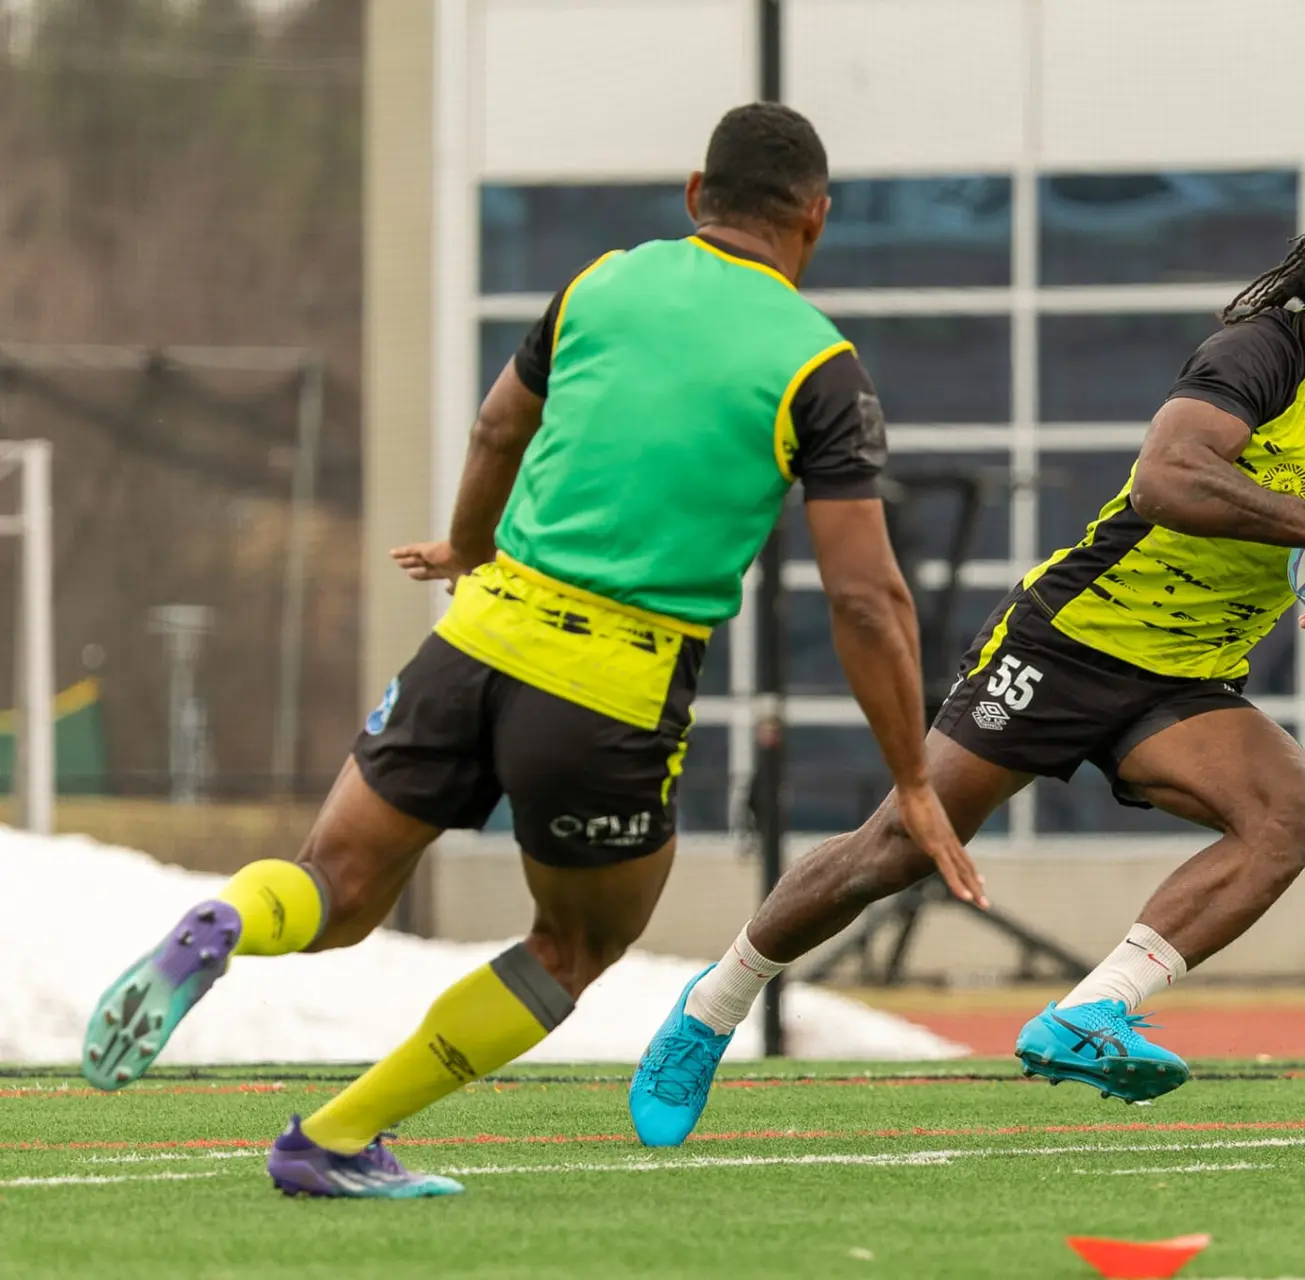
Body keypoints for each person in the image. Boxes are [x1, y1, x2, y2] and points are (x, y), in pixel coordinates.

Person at [78, 102, 969, 1198]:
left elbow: (499, 427)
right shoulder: (821, 367)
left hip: (474, 632)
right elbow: (868, 596)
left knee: (334, 884)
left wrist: (463, 545)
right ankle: (334, 1136)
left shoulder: (599, 281)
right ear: (816, 223)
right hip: (611, 682)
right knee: (572, 946)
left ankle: (226, 918)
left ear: (696, 195)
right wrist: (914, 777)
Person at [628, 193, 1305, 1147]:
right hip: (1069, 643)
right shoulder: (1255, 356)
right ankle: (709, 1012)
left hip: (1187, 681)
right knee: (895, 847)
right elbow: (1167, 480)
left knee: (1292, 815)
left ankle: (1090, 1013)